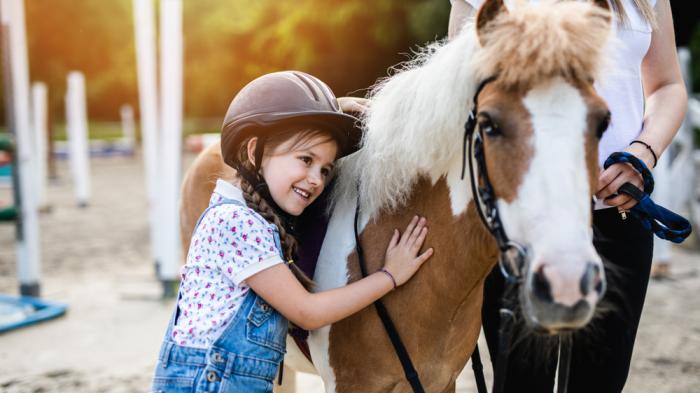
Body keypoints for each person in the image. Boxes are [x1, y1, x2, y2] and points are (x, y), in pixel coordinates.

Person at [449, 0, 687, 392]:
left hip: (617, 212)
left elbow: (667, 84)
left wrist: (643, 152)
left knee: (601, 383)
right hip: (520, 225)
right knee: (522, 384)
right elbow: (462, 96)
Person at [151, 71, 434, 393]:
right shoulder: (235, 223)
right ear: (253, 151)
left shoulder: (254, 222)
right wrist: (389, 276)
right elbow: (307, 312)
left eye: (325, 169)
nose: (316, 179)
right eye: (305, 159)